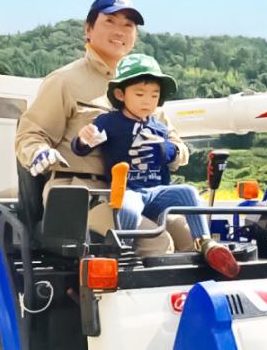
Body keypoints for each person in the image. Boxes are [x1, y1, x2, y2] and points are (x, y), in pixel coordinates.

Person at [14, 0, 191, 252]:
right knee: (157, 241)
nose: (120, 31)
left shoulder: (147, 86)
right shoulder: (65, 81)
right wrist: (39, 152)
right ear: (88, 29)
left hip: (140, 191)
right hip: (82, 194)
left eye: (128, 25)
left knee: (190, 235)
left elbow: (178, 147)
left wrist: (170, 151)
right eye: (110, 21)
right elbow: (30, 135)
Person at [72, 53, 241, 278]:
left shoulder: (159, 126)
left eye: (154, 95)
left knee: (188, 192)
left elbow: (177, 152)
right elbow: (82, 148)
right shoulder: (109, 122)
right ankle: (124, 249)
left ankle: (206, 243)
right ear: (120, 94)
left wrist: (167, 150)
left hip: (157, 192)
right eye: (140, 94)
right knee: (127, 206)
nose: (147, 101)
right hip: (129, 190)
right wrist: (83, 139)